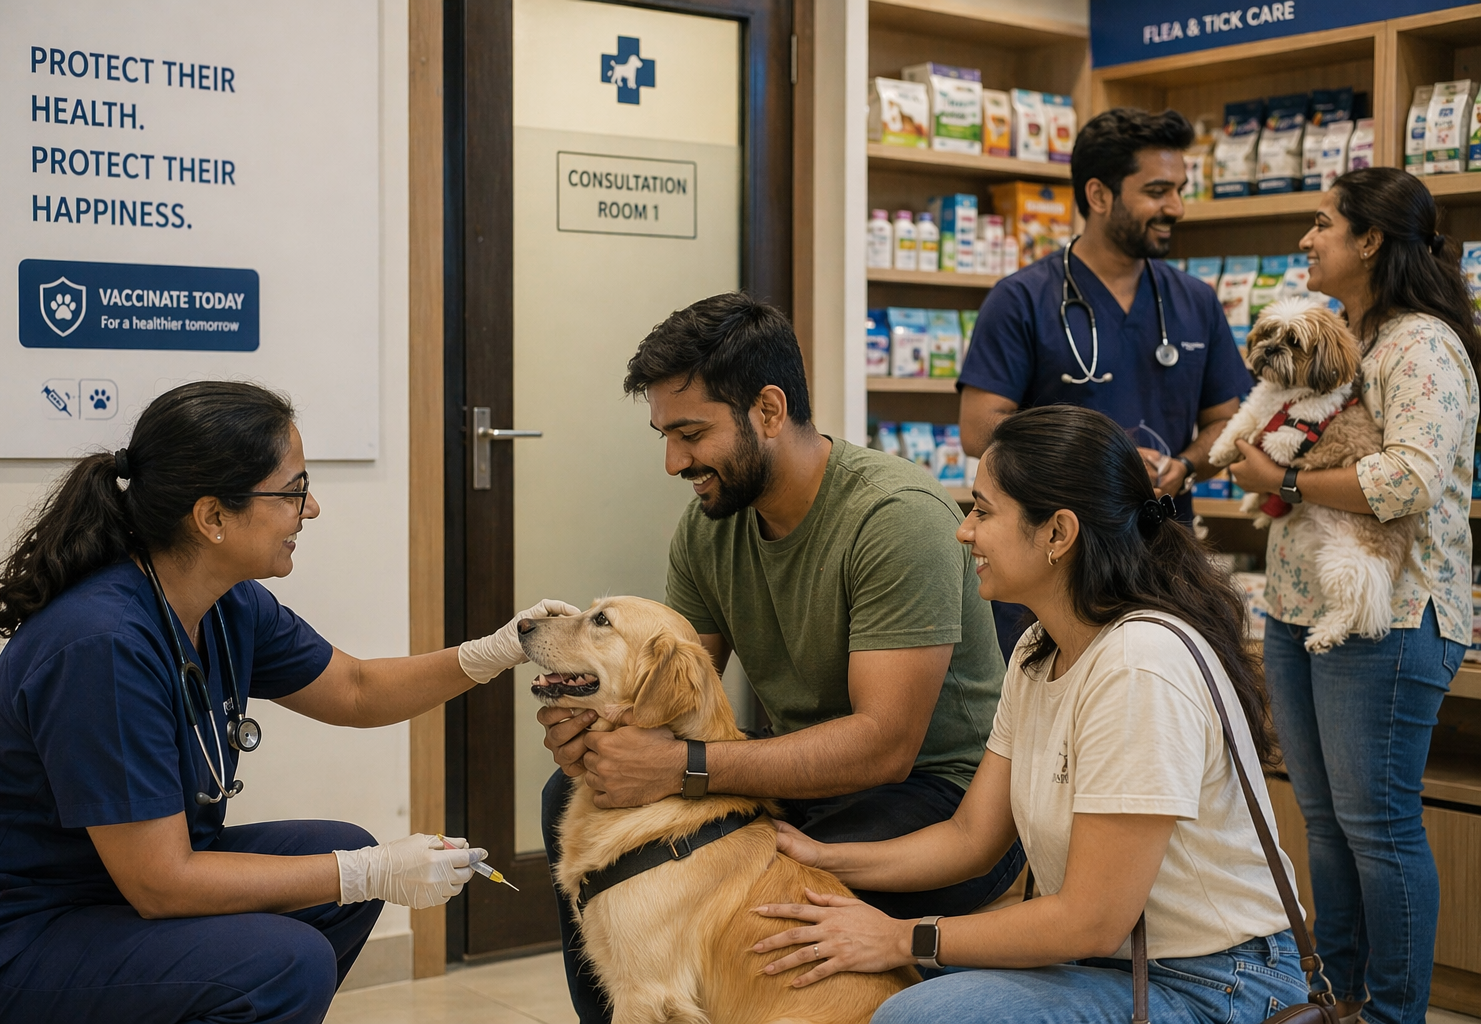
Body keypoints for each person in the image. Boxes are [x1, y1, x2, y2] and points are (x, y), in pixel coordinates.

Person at [0, 382, 575, 1024]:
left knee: (337, 857)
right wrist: (368, 871)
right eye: (294, 491)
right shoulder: (101, 645)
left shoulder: (224, 605)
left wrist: (496, 651)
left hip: (102, 888)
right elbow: (161, 882)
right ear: (214, 517)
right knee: (288, 958)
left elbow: (354, 690)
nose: (313, 509)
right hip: (2, 933)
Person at [536, 293, 1019, 1023]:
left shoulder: (896, 519)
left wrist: (685, 767)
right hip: (800, 776)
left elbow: (883, 746)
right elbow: (667, 691)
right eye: (664, 435)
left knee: (772, 886)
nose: (673, 462)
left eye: (691, 433)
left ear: (768, 409)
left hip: (934, 794)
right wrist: (600, 734)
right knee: (567, 797)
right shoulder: (709, 528)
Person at [745, 405, 1308, 1024]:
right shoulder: (1040, 653)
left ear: (1057, 534)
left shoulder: (1139, 664)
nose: (965, 531)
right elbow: (971, 839)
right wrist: (818, 858)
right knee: (842, 967)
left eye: (984, 511)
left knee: (917, 1016)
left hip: (1216, 983)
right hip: (1112, 963)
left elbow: (1090, 921)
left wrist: (903, 936)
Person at [1223, 167, 1479, 1024]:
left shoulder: (1422, 347)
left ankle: (1394, 1013)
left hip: (1394, 615)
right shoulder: (1338, 335)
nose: (1307, 239)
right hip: (1299, 609)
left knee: (1378, 826)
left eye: (1323, 224)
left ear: (1369, 241)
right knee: (1326, 822)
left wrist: (1284, 480)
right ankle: (1335, 996)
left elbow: (1407, 478)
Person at [958, 108, 1253, 659]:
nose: (1176, 208)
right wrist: (1098, 463)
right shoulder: (1022, 299)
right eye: (1158, 191)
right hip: (1052, 567)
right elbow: (979, 429)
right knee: (1040, 724)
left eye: (1180, 190)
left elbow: (1228, 424)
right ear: (1098, 194)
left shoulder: (1195, 302)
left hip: (1159, 559)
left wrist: (1184, 466)